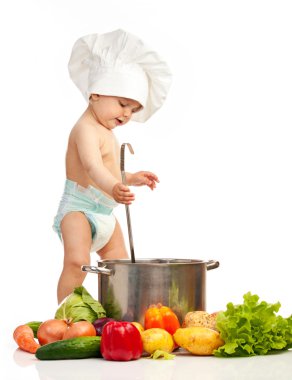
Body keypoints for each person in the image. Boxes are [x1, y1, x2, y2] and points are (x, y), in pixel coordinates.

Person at [53, 29, 172, 303]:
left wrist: (130, 178)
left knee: (119, 267)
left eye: (133, 110)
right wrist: (115, 186)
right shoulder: (85, 129)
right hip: (79, 211)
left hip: (104, 212)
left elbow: (108, 170)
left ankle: (115, 316)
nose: (127, 114)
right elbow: (94, 169)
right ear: (95, 93)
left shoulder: (106, 129)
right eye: (122, 104)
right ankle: (65, 317)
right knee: (77, 262)